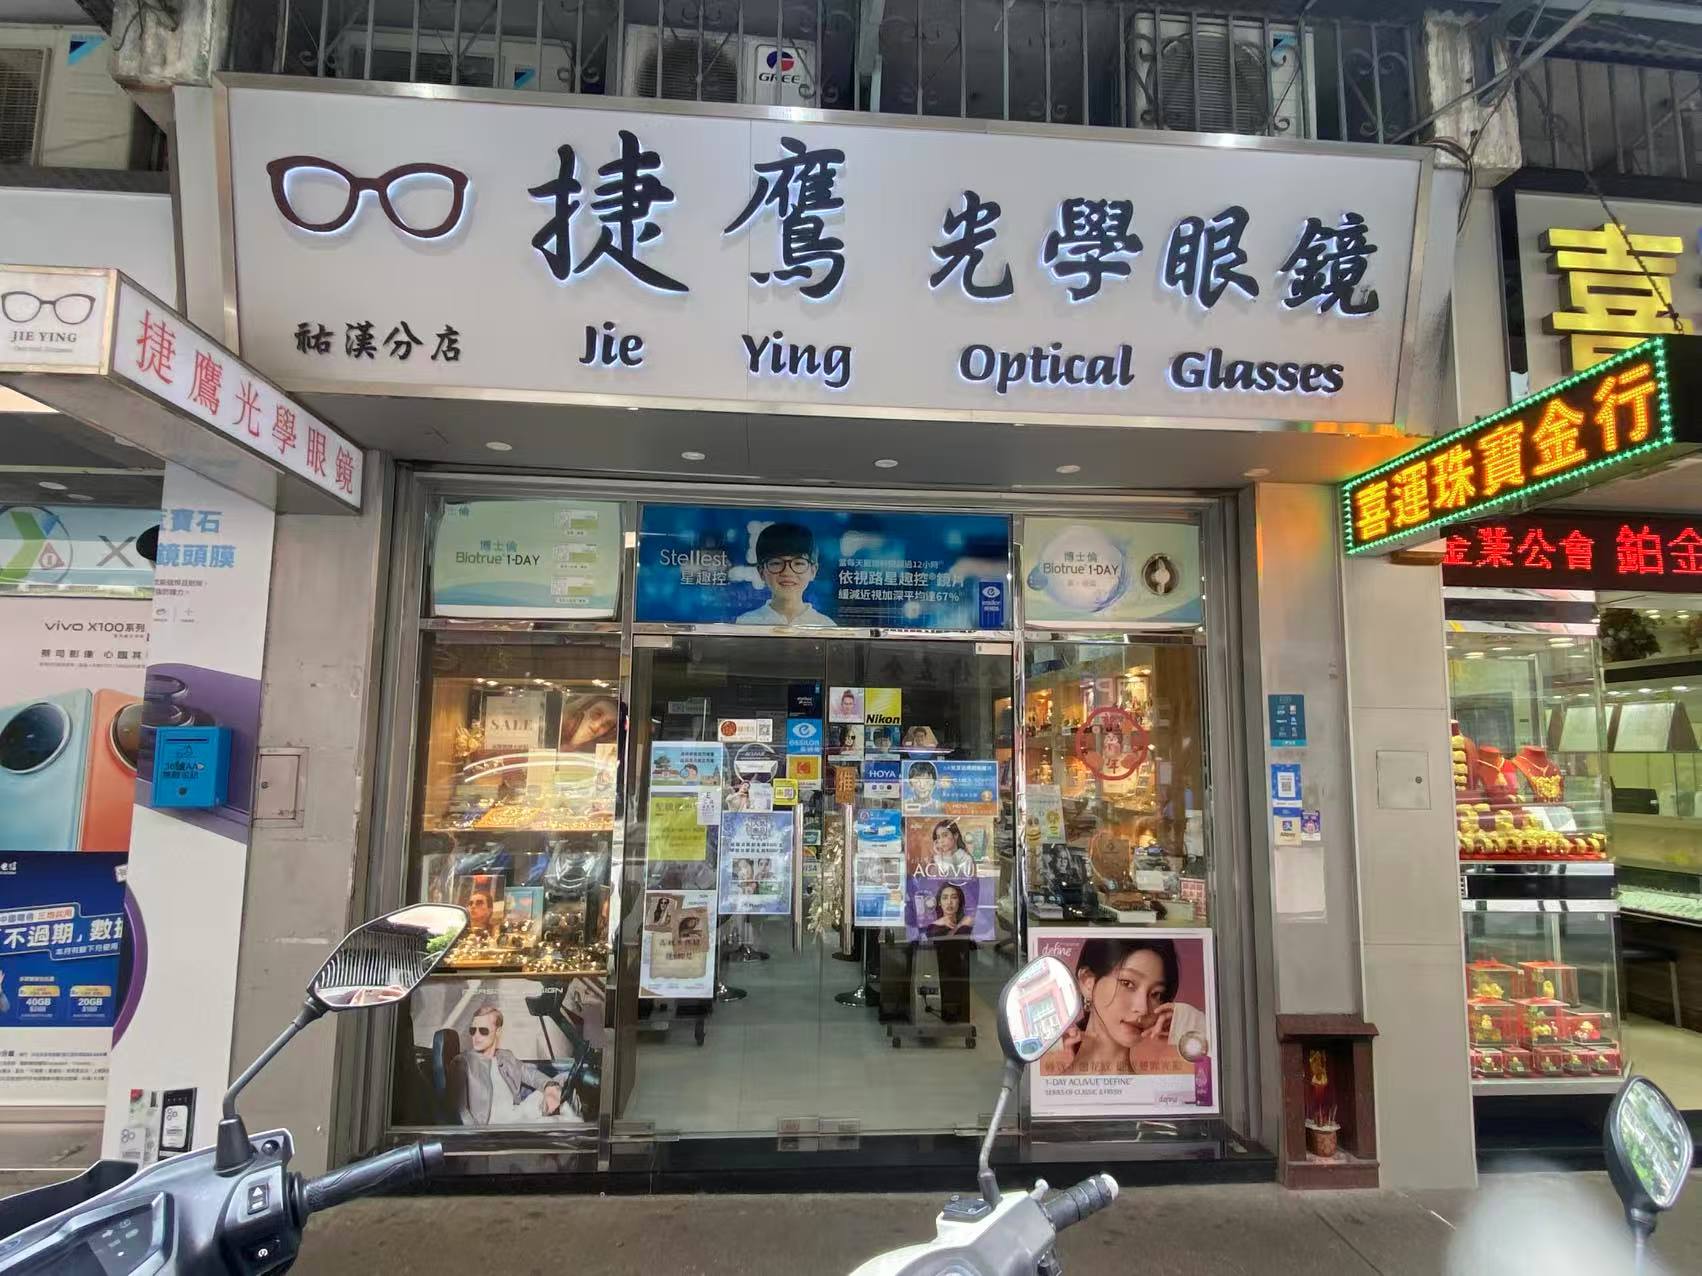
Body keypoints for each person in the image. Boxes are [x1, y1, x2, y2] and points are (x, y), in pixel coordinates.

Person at [1054, 938, 1194, 1077]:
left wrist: (1191, 1025)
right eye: (1127, 983)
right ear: (1087, 982)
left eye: (1156, 994)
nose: (1143, 1009)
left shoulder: (1161, 1086)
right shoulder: (1049, 1083)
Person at [450, 1003, 567, 1125]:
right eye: (473, 1030)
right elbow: (460, 1110)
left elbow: (531, 1075)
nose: (476, 1036)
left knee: (562, 1079)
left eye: (483, 1031)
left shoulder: (506, 1056)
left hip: (518, 1114)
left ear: (498, 1031)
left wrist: (550, 1086)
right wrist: (478, 1133)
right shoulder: (463, 1062)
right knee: (562, 1119)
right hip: (497, 1127)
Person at [736, 522, 833, 628]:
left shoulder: (827, 626)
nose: (787, 572)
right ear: (761, 571)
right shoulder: (745, 623)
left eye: (798, 563)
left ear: (813, 571)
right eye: (776, 563)